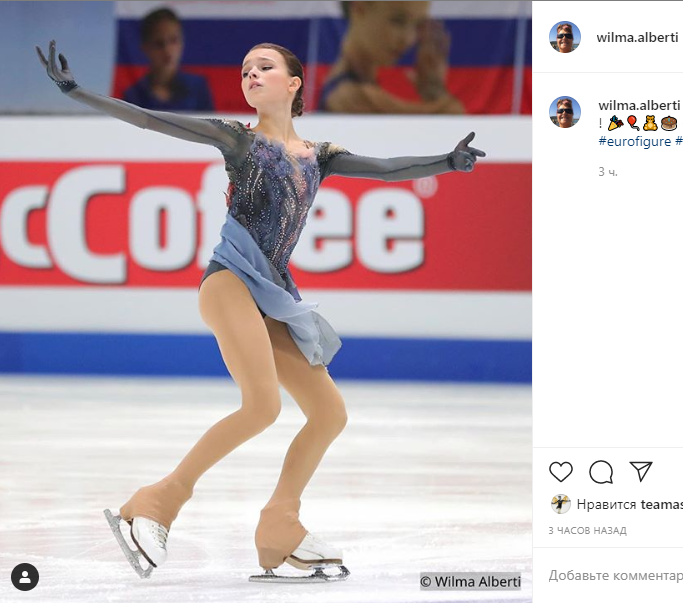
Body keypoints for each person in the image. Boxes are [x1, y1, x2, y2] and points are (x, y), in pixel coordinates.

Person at [37, 38, 484, 581]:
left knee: (329, 413)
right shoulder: (238, 140)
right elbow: (152, 120)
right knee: (262, 407)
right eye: (245, 68)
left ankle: (280, 524)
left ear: (294, 83)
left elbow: (389, 169)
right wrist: (77, 92)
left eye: (264, 67)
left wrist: (448, 162)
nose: (251, 73)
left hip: (272, 295)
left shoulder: (320, 156)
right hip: (229, 282)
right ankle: (156, 502)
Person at [319, 1, 463, 114]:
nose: (408, 39)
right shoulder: (348, 96)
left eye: (417, 25)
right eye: (398, 20)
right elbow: (452, 114)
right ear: (359, 7)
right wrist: (434, 89)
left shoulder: (359, 86)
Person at [122, 7, 214, 111]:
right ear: (145, 48)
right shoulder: (133, 97)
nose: (167, 50)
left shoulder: (198, 88)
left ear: (182, 42)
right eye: (159, 43)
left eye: (173, 40)